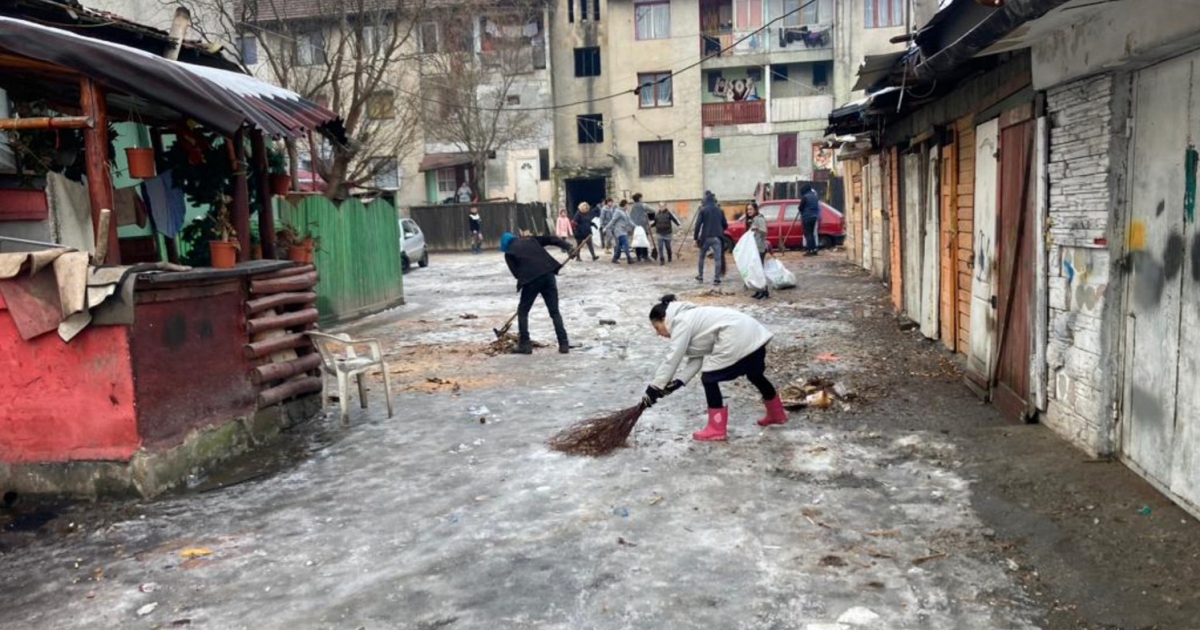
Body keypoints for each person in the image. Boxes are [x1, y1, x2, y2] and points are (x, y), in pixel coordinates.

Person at [641, 295, 786, 441]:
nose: (658, 333)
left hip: (736, 337)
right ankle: (777, 414)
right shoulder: (690, 317)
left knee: (709, 379)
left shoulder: (681, 321)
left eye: (657, 327)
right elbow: (696, 359)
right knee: (755, 374)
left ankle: (716, 429)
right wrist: (677, 382)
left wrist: (654, 387)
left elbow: (673, 357)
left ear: (664, 319)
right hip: (753, 335)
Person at [499, 231, 573, 355]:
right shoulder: (531, 240)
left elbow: (516, 274)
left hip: (530, 281)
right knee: (554, 312)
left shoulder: (509, 253)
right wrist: (567, 246)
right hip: (548, 275)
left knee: (523, 312)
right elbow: (550, 239)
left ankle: (525, 345)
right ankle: (563, 343)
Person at [694, 190, 727, 285]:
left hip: (705, 237)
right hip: (717, 237)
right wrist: (720, 228)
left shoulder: (703, 210)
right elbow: (725, 225)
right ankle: (717, 279)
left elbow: (698, 224)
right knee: (717, 259)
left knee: (701, 257)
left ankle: (700, 277)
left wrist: (696, 238)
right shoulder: (720, 210)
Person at [745, 202, 770, 299]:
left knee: (759, 270)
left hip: (760, 248)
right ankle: (758, 290)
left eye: (750, 209)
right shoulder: (752, 220)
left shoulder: (760, 219)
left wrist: (757, 228)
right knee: (755, 270)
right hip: (754, 248)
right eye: (747, 210)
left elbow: (765, 231)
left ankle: (764, 291)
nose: (749, 211)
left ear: (755, 209)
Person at [603, 199, 635, 265]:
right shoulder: (618, 211)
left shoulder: (626, 212)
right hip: (619, 231)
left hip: (624, 230)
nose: (628, 206)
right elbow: (613, 220)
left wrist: (636, 226)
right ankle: (629, 258)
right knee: (626, 243)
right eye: (627, 204)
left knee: (619, 245)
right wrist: (606, 227)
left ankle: (615, 258)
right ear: (625, 204)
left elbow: (629, 221)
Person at [800, 184, 821, 256]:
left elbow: (800, 207)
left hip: (807, 217)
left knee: (807, 234)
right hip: (814, 216)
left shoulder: (805, 197)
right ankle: (814, 249)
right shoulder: (815, 196)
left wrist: (802, 212)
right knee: (811, 233)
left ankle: (810, 250)